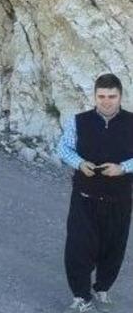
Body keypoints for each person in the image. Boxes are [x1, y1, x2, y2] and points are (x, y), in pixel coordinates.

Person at [57, 73, 133, 312]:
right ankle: (81, 296)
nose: (106, 101)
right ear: (95, 97)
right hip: (85, 197)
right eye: (101, 96)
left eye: (112, 96)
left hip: (120, 199)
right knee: (78, 247)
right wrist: (79, 163)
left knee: (113, 249)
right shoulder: (78, 121)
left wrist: (123, 168)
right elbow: (63, 148)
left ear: (120, 96)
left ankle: (102, 289)